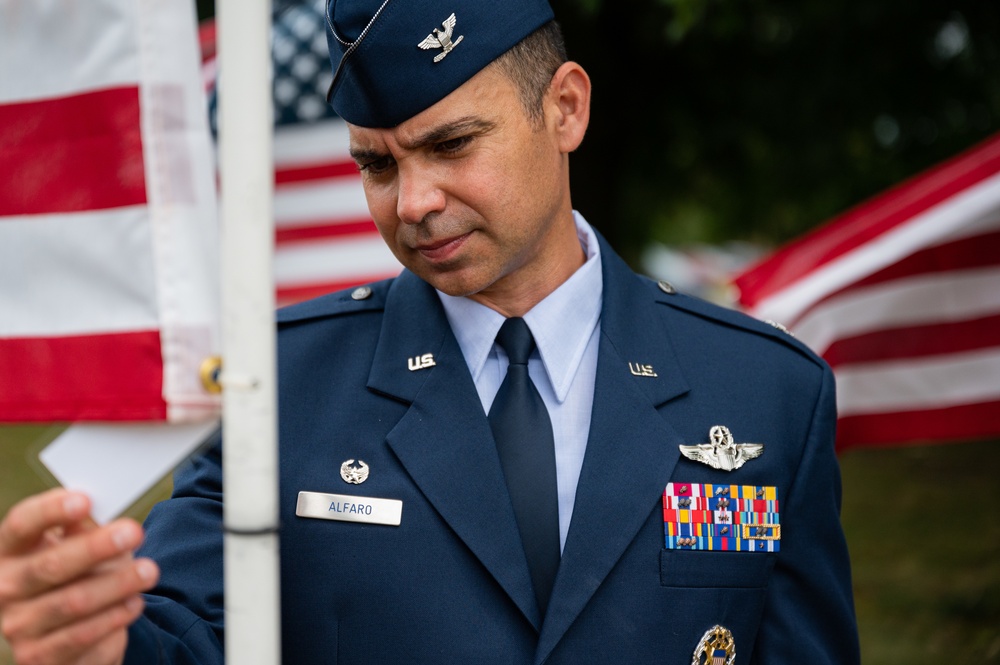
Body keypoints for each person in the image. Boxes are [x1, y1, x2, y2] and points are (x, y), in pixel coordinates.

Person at [0, 0, 861, 662]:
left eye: (451, 145)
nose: (412, 203)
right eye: (377, 163)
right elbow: (183, 638)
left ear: (564, 109)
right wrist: (100, 639)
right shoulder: (278, 386)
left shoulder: (766, 394)